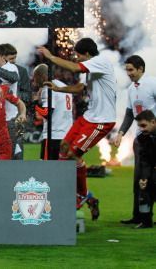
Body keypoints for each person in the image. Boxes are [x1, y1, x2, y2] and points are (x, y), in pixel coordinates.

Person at [37, 38, 117, 220]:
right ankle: (85, 196)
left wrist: (50, 56)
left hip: (102, 121)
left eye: (79, 55)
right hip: (89, 116)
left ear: (87, 54)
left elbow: (74, 68)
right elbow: (80, 87)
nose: (77, 58)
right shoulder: (92, 68)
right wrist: (59, 90)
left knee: (73, 155)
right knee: (64, 148)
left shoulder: (100, 61)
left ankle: (81, 194)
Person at [111, 55, 156, 225]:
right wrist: (121, 133)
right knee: (139, 178)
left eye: (131, 70)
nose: (128, 73)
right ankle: (138, 215)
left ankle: (146, 217)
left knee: (151, 179)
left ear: (141, 69)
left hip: (154, 138)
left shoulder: (152, 83)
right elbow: (130, 114)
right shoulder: (131, 89)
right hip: (140, 139)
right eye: (127, 70)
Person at [32, 64, 73, 160]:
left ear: (42, 76)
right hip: (67, 135)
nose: (34, 81)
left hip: (53, 135)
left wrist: (34, 104)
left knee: (47, 168)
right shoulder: (63, 86)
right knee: (61, 168)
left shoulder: (48, 89)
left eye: (35, 77)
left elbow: (46, 113)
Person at [0, 44, 22, 159]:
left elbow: (14, 78)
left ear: (3, 57)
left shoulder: (11, 67)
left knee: (8, 154)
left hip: (9, 119)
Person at [135, 110, 156, 229]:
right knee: (144, 187)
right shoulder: (142, 138)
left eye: (143, 125)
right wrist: (144, 178)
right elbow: (144, 160)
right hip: (152, 168)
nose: (142, 129)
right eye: (139, 126)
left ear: (153, 122)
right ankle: (146, 221)